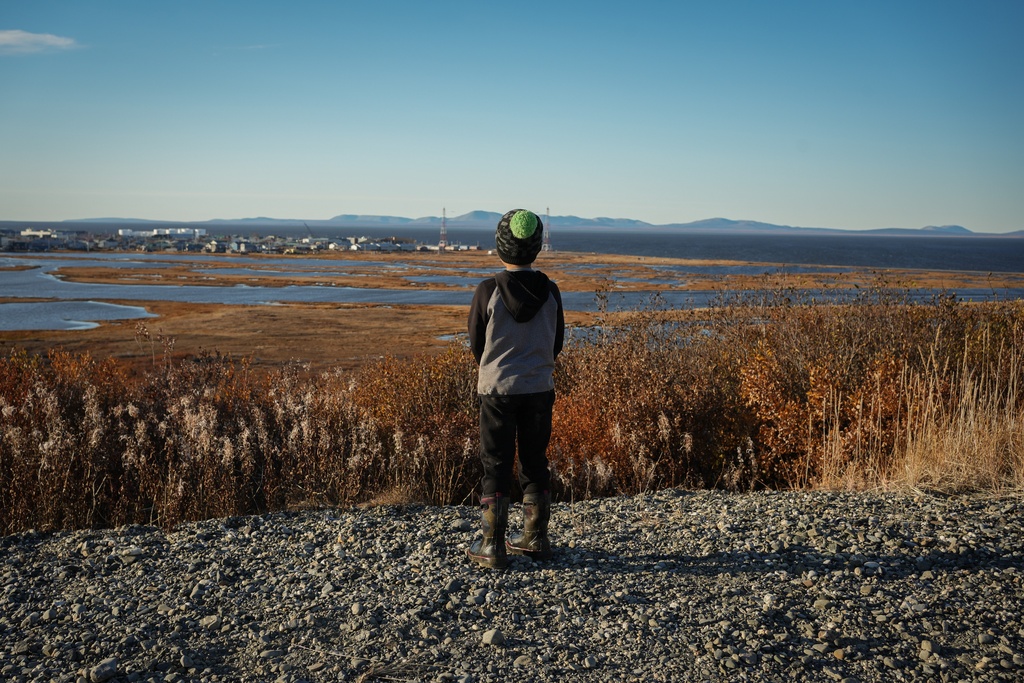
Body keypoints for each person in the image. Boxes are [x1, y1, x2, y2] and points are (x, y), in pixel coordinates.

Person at [466, 209, 565, 569]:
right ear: (537, 247)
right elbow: (557, 342)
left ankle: (492, 545)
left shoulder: (487, 290)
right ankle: (536, 538)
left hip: (496, 390)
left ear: (499, 245)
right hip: (539, 387)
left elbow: (477, 343)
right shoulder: (551, 291)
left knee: (496, 462)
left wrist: (494, 365)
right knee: (534, 460)